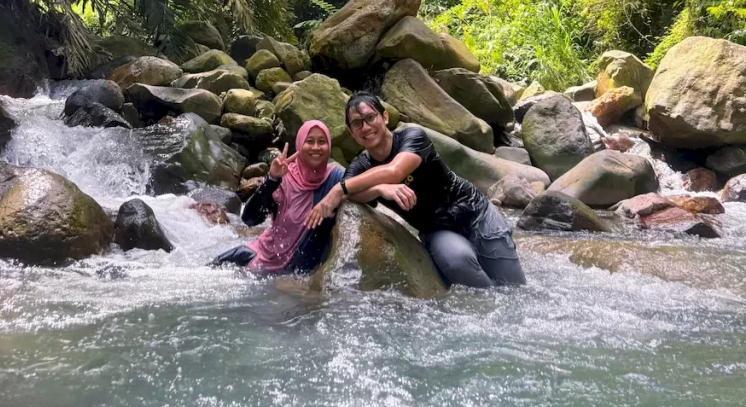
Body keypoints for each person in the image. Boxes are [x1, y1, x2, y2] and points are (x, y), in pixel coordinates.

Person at [306, 93, 526, 288]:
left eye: (370, 118)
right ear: (352, 133)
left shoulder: (412, 137)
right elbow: (353, 195)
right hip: (437, 229)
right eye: (357, 123)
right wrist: (380, 189)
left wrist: (339, 187)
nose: (365, 127)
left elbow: (394, 171)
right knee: (458, 262)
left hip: (475, 213)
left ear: (384, 117)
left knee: (514, 288)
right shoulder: (360, 166)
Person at [211, 118, 416, 277]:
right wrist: (272, 179)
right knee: (210, 270)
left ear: (329, 146)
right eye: (309, 142)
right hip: (261, 251)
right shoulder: (285, 175)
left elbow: (357, 190)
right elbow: (249, 219)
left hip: (293, 267)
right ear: (300, 146)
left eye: (322, 142)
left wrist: (380, 188)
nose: (316, 148)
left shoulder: (334, 177)